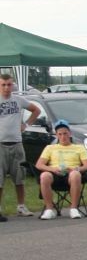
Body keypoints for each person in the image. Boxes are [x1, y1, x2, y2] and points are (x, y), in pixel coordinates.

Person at [0, 73, 42, 221]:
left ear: (13, 85)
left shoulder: (18, 100)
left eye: (9, 84)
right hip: (1, 145)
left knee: (19, 177)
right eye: (3, 85)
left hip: (17, 144)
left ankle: (21, 206)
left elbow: (36, 110)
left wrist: (26, 124)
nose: (6, 88)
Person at [34, 119, 87, 219]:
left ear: (70, 133)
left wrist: (76, 169)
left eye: (65, 133)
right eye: (60, 134)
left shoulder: (79, 148)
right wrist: (53, 169)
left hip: (71, 174)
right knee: (44, 175)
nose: (63, 137)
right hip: (55, 173)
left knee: (75, 174)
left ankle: (74, 208)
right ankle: (49, 209)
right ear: (56, 135)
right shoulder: (50, 148)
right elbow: (39, 165)